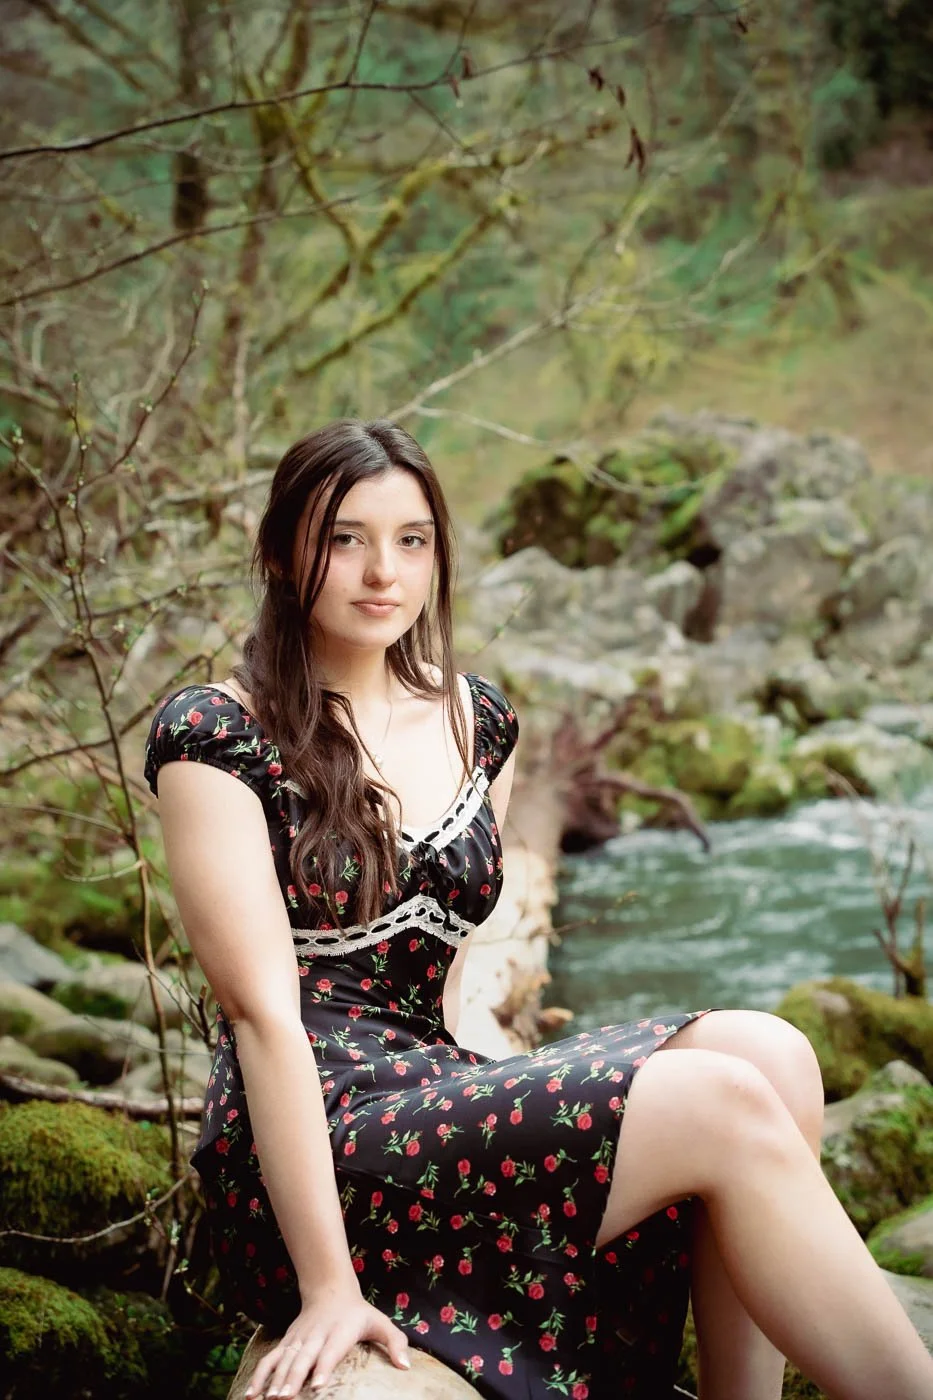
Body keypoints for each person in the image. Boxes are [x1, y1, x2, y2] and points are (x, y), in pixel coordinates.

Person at [143, 418, 933, 1400]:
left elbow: (456, 974)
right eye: (344, 537)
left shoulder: (480, 719)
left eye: (412, 538)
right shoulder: (216, 733)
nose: (382, 568)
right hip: (314, 1136)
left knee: (773, 1051)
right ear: (278, 551)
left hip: (428, 1083)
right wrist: (329, 1283)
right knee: (720, 1101)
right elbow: (264, 1014)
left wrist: (536, 1103)